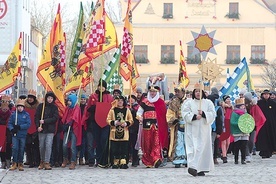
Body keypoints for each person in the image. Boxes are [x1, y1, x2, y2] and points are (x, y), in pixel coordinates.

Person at [181, 83, 216, 177]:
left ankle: (200, 168)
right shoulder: (188, 103)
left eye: (199, 91)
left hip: (204, 130)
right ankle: (193, 167)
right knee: (193, 148)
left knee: (201, 148)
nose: (197, 93)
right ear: (193, 92)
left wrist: (204, 114)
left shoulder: (208, 103)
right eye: (196, 91)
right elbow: (184, 113)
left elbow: (213, 114)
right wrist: (194, 117)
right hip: (192, 130)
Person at [83, 80, 114, 166]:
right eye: (100, 86)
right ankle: (98, 159)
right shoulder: (93, 96)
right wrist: (96, 106)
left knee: (103, 140)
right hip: (95, 122)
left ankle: (104, 159)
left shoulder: (109, 97)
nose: (101, 88)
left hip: (105, 122)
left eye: (103, 86)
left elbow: (111, 108)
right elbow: (88, 108)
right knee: (97, 141)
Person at [136, 85, 169, 168]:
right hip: (146, 126)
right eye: (151, 91)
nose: (152, 93)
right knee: (147, 143)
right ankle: (148, 160)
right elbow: (139, 112)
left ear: (157, 92)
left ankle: (156, 158)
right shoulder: (145, 101)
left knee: (156, 143)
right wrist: (139, 117)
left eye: (154, 92)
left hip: (157, 126)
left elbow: (163, 115)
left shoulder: (160, 102)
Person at [106, 95, 133, 169]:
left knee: (124, 148)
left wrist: (126, 123)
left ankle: (123, 162)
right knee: (115, 148)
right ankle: (115, 161)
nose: (120, 102)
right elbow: (108, 120)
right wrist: (114, 122)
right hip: (114, 132)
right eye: (118, 100)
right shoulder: (112, 110)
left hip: (124, 132)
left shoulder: (127, 110)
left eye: (121, 100)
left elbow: (131, 120)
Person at [35, 91, 59, 170]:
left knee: (48, 145)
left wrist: (45, 121)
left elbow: (55, 118)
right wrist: (38, 126)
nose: (50, 99)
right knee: (41, 146)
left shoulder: (55, 107)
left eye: (51, 98)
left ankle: (47, 162)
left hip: (50, 130)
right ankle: (42, 161)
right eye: (48, 98)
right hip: (42, 130)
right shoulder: (41, 106)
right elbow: (36, 117)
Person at [166, 84, 187, 168]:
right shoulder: (173, 102)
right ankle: (178, 160)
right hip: (177, 125)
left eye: (179, 91)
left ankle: (187, 159)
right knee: (178, 142)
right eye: (176, 92)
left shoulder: (188, 102)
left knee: (187, 143)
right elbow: (169, 114)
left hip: (187, 125)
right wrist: (174, 119)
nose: (177, 93)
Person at [8, 99, 31, 171]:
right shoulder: (13, 114)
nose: (20, 108)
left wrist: (20, 127)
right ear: (17, 107)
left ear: (23, 107)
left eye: (21, 107)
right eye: (19, 107)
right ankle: (14, 162)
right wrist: (12, 129)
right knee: (15, 148)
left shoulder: (26, 115)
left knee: (21, 148)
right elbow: (10, 123)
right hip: (15, 135)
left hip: (23, 135)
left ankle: (20, 162)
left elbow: (28, 124)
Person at [61, 94, 82, 170]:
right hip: (67, 128)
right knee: (64, 145)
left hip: (74, 129)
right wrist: (65, 124)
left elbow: (75, 117)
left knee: (73, 146)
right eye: (68, 100)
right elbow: (65, 117)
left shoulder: (76, 108)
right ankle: (65, 158)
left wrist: (72, 121)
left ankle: (73, 161)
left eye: (70, 100)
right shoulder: (67, 108)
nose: (69, 102)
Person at [244, 92, 266, 162]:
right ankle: (247, 155)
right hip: (245, 125)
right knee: (246, 140)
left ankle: (249, 152)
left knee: (252, 141)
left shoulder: (254, 106)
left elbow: (259, 116)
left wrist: (256, 123)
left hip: (253, 126)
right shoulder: (243, 105)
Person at [256, 89, 276, 158]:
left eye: (267, 94)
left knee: (271, 136)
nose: (266, 95)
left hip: (271, 123)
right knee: (263, 138)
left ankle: (271, 150)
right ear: (262, 95)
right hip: (262, 124)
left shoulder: (273, 103)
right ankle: (264, 151)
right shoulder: (259, 103)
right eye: (265, 94)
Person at [230, 98, 250, 164]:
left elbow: (248, 121)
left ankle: (243, 159)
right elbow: (232, 122)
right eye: (241, 106)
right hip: (237, 131)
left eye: (243, 106)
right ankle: (236, 159)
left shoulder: (245, 113)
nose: (243, 107)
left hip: (244, 131)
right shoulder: (234, 113)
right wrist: (239, 123)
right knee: (237, 146)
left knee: (244, 146)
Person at [24, 90, 40, 168]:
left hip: (35, 128)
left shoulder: (38, 107)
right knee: (28, 146)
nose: (30, 99)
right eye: (29, 97)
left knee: (36, 146)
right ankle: (30, 160)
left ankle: (36, 160)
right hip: (27, 129)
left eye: (31, 98)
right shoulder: (24, 107)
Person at [207, 87, 224, 165]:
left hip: (214, 129)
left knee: (213, 143)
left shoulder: (218, 109)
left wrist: (219, 131)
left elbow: (220, 121)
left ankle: (213, 158)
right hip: (207, 128)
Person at [220, 95, 233, 163]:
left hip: (229, 124)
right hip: (223, 124)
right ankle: (224, 156)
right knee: (223, 141)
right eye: (227, 99)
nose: (228, 100)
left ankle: (224, 153)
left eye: (229, 99)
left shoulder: (231, 107)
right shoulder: (222, 107)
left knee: (228, 142)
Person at [128, 95, 140, 167]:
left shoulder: (137, 106)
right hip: (128, 127)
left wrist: (134, 112)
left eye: (132, 98)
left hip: (135, 127)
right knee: (128, 144)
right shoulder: (126, 106)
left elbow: (139, 115)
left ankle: (135, 159)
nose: (131, 100)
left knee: (135, 144)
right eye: (130, 99)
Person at [0, 95, 12, 169]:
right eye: (3, 107)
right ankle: (3, 161)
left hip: (8, 132)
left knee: (8, 146)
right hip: (1, 132)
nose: (4, 109)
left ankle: (8, 161)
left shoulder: (11, 114)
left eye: (6, 107)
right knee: (1, 147)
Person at [78, 94, 88, 165]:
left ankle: (84, 157)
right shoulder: (77, 108)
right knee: (80, 144)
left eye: (84, 99)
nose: (83, 100)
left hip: (85, 127)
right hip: (78, 127)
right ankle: (80, 157)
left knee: (85, 144)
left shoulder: (87, 108)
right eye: (82, 99)